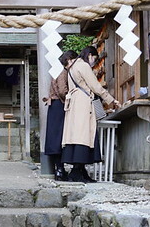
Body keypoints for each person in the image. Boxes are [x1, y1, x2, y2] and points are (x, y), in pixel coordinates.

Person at [61, 45, 117, 183]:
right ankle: (77, 172)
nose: (93, 63)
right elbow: (95, 86)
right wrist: (110, 99)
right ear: (90, 56)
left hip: (74, 103)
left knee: (77, 136)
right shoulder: (83, 66)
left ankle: (79, 171)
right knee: (84, 136)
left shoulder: (71, 69)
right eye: (94, 59)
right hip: (83, 103)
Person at [44, 50, 78, 181]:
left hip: (53, 105)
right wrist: (71, 98)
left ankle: (59, 169)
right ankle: (60, 169)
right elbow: (63, 90)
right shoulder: (64, 72)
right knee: (60, 137)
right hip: (60, 105)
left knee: (54, 138)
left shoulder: (55, 71)